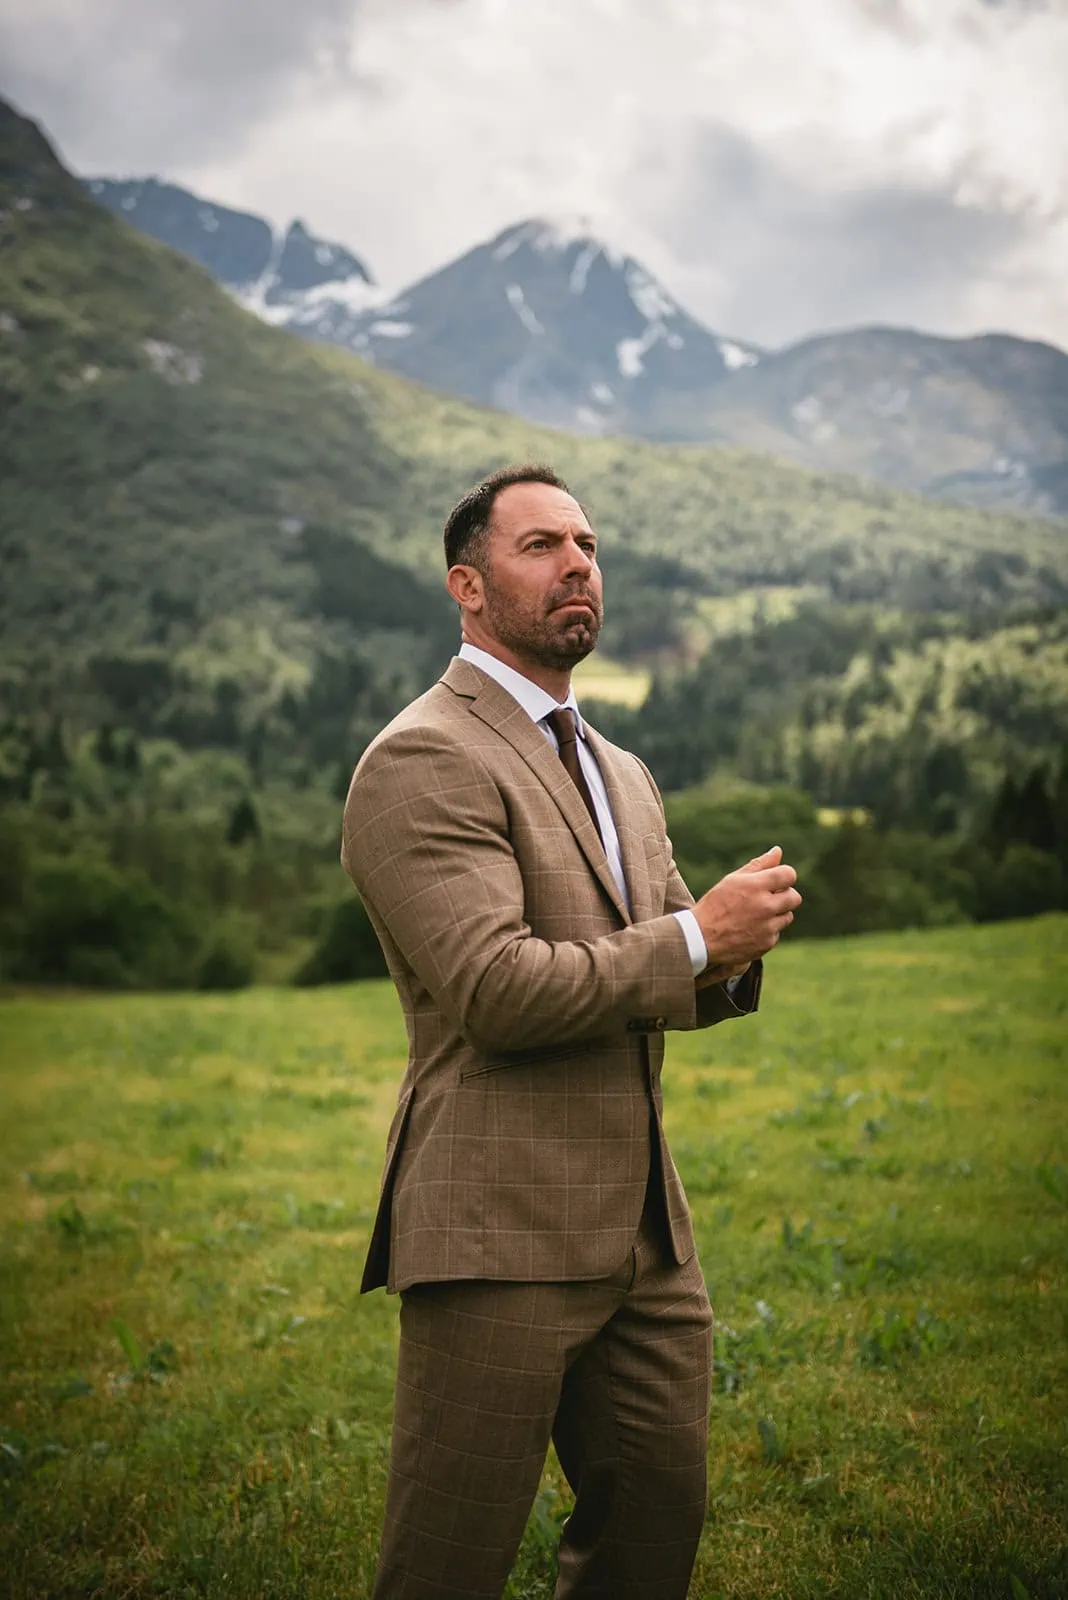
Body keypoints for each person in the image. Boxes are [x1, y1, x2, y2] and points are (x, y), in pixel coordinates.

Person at [341, 464, 801, 1600]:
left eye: (588, 543)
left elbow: (662, 973)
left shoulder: (623, 771)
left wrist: (728, 954)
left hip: (647, 1239)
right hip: (496, 1231)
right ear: (469, 585)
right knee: (447, 1563)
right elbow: (497, 990)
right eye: (542, 544)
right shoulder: (421, 758)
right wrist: (699, 937)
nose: (579, 563)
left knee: (650, 1543)